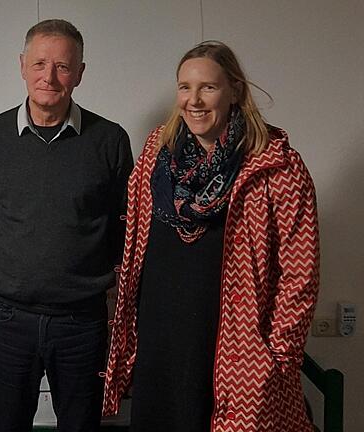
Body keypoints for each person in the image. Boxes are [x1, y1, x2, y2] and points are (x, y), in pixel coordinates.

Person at [101, 41, 320, 432]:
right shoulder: (157, 153)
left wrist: (277, 359)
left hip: (235, 354)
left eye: (208, 87)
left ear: (235, 90)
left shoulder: (277, 166)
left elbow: (299, 277)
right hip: (161, 342)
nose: (194, 100)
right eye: (185, 87)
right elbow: (133, 240)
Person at [0, 19, 133, 432]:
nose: (50, 76)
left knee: (81, 426)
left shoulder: (110, 139)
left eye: (63, 66)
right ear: (22, 65)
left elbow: (123, 221)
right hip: (8, 319)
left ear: (80, 73)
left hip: (82, 321)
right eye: (40, 63)